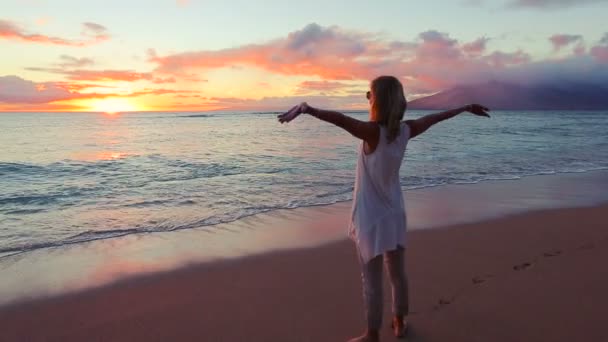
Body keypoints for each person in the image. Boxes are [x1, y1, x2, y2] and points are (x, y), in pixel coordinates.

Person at [278, 75, 490, 342]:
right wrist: (465, 107)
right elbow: (436, 118)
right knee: (398, 274)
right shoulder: (406, 130)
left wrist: (308, 109)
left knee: (372, 281)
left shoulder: (372, 133)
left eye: (370, 94)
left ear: (377, 100)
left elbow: (341, 120)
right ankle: (400, 322)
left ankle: (372, 334)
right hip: (395, 213)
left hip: (371, 217)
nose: (367, 98)